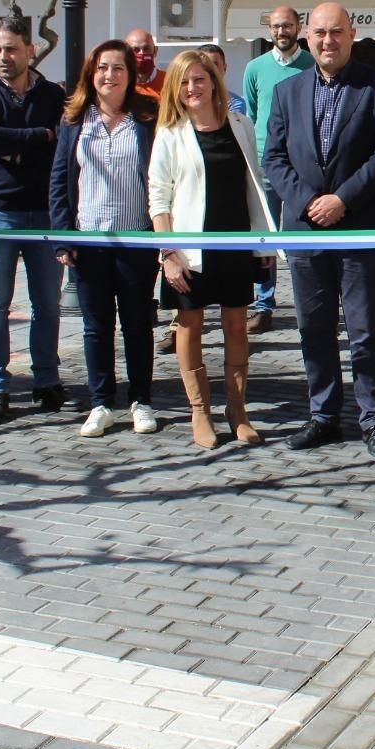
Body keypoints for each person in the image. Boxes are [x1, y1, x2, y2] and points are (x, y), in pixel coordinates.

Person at [264, 2, 375, 461]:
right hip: (304, 232)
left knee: (364, 330)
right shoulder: (287, 92)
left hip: (358, 226)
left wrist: (342, 199)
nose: (328, 41)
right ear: (306, 36)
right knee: (313, 328)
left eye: (337, 32)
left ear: (352, 33)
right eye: (320, 33)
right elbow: (274, 158)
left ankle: (373, 418)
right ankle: (323, 415)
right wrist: (306, 202)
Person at [149, 50, 275, 450]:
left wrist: (262, 243)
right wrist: (168, 254)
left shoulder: (240, 124)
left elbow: (253, 187)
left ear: (213, 82)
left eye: (199, 80)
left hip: (235, 243)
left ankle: (237, 410)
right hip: (189, 250)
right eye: (184, 82)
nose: (192, 88)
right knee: (190, 326)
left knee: (237, 326)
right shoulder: (170, 133)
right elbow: (159, 199)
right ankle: (199, 410)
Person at [51, 40, 160, 438]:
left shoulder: (147, 118)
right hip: (89, 241)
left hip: (136, 240)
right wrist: (63, 239)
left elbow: (160, 179)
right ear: (90, 74)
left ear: (130, 76)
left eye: (117, 68)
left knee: (137, 324)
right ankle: (101, 402)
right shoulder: (75, 120)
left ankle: (141, 401)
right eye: (102, 68)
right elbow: (60, 182)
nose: (109, 75)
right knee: (96, 327)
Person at [0, 17, 68, 424]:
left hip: (43, 210)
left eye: (10, 49)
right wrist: (39, 136)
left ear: (29, 50)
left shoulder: (52, 95)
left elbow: (61, 145)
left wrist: (15, 143)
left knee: (48, 304)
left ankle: (46, 380)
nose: (3, 57)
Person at [239, 6, 312, 335]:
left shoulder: (311, 64)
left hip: (302, 166)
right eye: (276, 26)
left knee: (301, 236)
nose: (282, 31)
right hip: (265, 162)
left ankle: (308, 299)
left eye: (288, 26)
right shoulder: (255, 69)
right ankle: (263, 303)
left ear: (299, 27)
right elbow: (253, 114)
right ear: (269, 29)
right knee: (264, 236)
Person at [197, 43, 246, 116]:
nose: (210, 69)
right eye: (205, 65)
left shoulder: (235, 104)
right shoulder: (188, 99)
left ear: (224, 68)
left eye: (214, 65)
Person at [126, 29, 165, 101]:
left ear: (155, 51)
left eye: (146, 49)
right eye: (135, 50)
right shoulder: (120, 84)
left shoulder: (169, 81)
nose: (141, 53)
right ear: (126, 54)